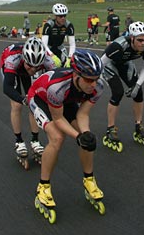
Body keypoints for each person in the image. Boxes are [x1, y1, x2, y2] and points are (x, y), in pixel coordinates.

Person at [28, 49, 106, 223]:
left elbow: (83, 114)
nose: (93, 84)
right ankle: (43, 186)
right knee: (57, 138)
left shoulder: (98, 87)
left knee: (88, 139)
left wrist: (85, 135)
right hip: (40, 98)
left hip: (66, 101)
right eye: (88, 79)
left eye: (96, 79)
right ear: (76, 74)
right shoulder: (57, 86)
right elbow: (58, 119)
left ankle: (89, 180)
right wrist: (77, 136)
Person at [0, 37, 56, 168]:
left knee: (34, 103)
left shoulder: (48, 61)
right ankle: (19, 141)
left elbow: (54, 82)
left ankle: (35, 140)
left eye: (37, 67)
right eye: (30, 65)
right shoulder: (12, 59)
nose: (33, 69)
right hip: (12, 67)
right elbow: (6, 88)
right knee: (17, 104)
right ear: (24, 58)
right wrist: (21, 99)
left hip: (23, 67)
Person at [100, 22, 144, 152]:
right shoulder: (117, 46)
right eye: (140, 40)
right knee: (118, 92)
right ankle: (110, 128)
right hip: (109, 65)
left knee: (138, 92)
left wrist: (137, 85)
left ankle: (139, 125)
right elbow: (100, 64)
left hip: (125, 64)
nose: (143, 43)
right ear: (131, 38)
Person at [42, 3, 76, 67]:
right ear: (55, 16)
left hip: (60, 47)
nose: (63, 18)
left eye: (64, 16)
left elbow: (72, 44)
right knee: (50, 64)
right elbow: (44, 44)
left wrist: (70, 58)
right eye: (60, 16)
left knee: (68, 65)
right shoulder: (48, 25)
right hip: (49, 47)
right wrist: (52, 55)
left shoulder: (69, 25)